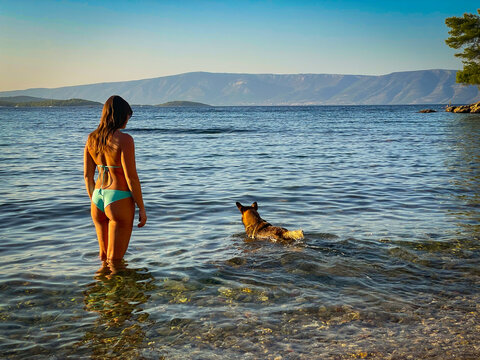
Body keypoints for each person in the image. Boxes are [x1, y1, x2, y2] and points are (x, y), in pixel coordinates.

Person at [84, 95, 147, 266]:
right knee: (116, 262)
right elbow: (131, 177)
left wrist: (95, 201)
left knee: (104, 258)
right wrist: (141, 208)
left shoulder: (91, 139)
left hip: (97, 197)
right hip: (118, 197)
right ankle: (117, 291)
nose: (128, 119)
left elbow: (88, 176)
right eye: (128, 115)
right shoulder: (125, 140)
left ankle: (100, 289)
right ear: (120, 115)